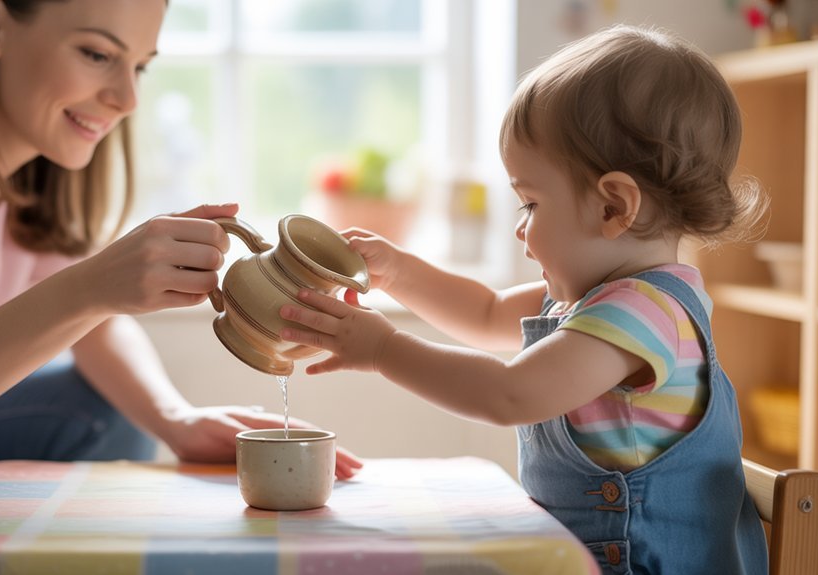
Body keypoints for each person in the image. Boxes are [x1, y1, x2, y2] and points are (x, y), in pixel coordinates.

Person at [0, 0, 361, 572]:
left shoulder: (39, 167)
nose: (127, 98)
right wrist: (90, 286)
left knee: (110, 408)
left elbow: (91, 336)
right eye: (98, 54)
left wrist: (173, 417)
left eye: (139, 66)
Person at [278, 25, 769, 574]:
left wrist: (382, 349)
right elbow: (486, 312)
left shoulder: (644, 314)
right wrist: (399, 271)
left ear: (613, 207)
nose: (521, 230)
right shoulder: (594, 300)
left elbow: (510, 394)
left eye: (530, 204)